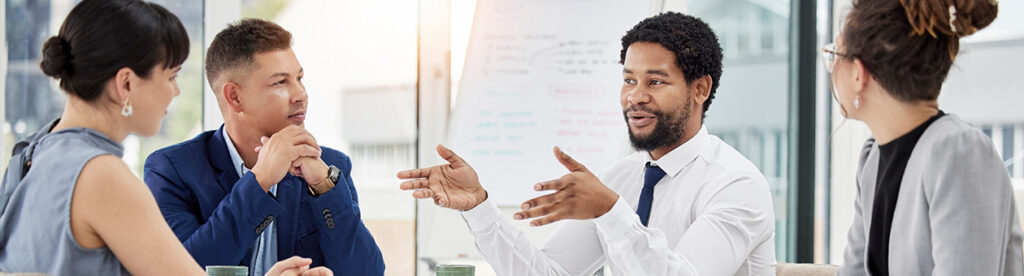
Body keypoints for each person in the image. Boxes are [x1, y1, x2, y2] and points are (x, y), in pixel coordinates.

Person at [399, 12, 775, 275]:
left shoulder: (736, 185)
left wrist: (611, 211)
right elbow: (550, 273)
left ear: (700, 89)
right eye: (629, 80)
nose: (635, 97)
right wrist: (479, 207)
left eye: (655, 82)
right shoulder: (622, 179)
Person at [0, 1, 331, 275]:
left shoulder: (30, 156)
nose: (175, 91)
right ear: (126, 84)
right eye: (171, 75)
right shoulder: (102, 175)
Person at [143, 18, 384, 275]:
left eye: (299, 78)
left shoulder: (330, 167)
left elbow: (367, 272)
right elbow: (183, 269)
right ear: (234, 97)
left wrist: (324, 187)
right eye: (280, 82)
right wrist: (260, 181)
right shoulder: (172, 170)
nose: (301, 94)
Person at [825, 0, 1023, 275]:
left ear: (859, 74)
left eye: (834, 54)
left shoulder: (960, 153)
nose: (831, 68)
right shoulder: (872, 159)